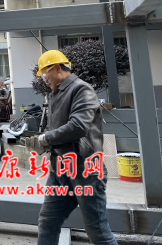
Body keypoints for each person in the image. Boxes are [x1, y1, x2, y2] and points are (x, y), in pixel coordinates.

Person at [25, 50, 117, 245]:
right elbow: (55, 129)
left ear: (58, 68)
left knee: (98, 231)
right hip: (60, 171)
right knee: (48, 222)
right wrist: (43, 142)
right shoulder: (56, 94)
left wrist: (46, 139)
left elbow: (78, 126)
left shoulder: (81, 90)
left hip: (86, 171)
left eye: (45, 74)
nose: (44, 80)